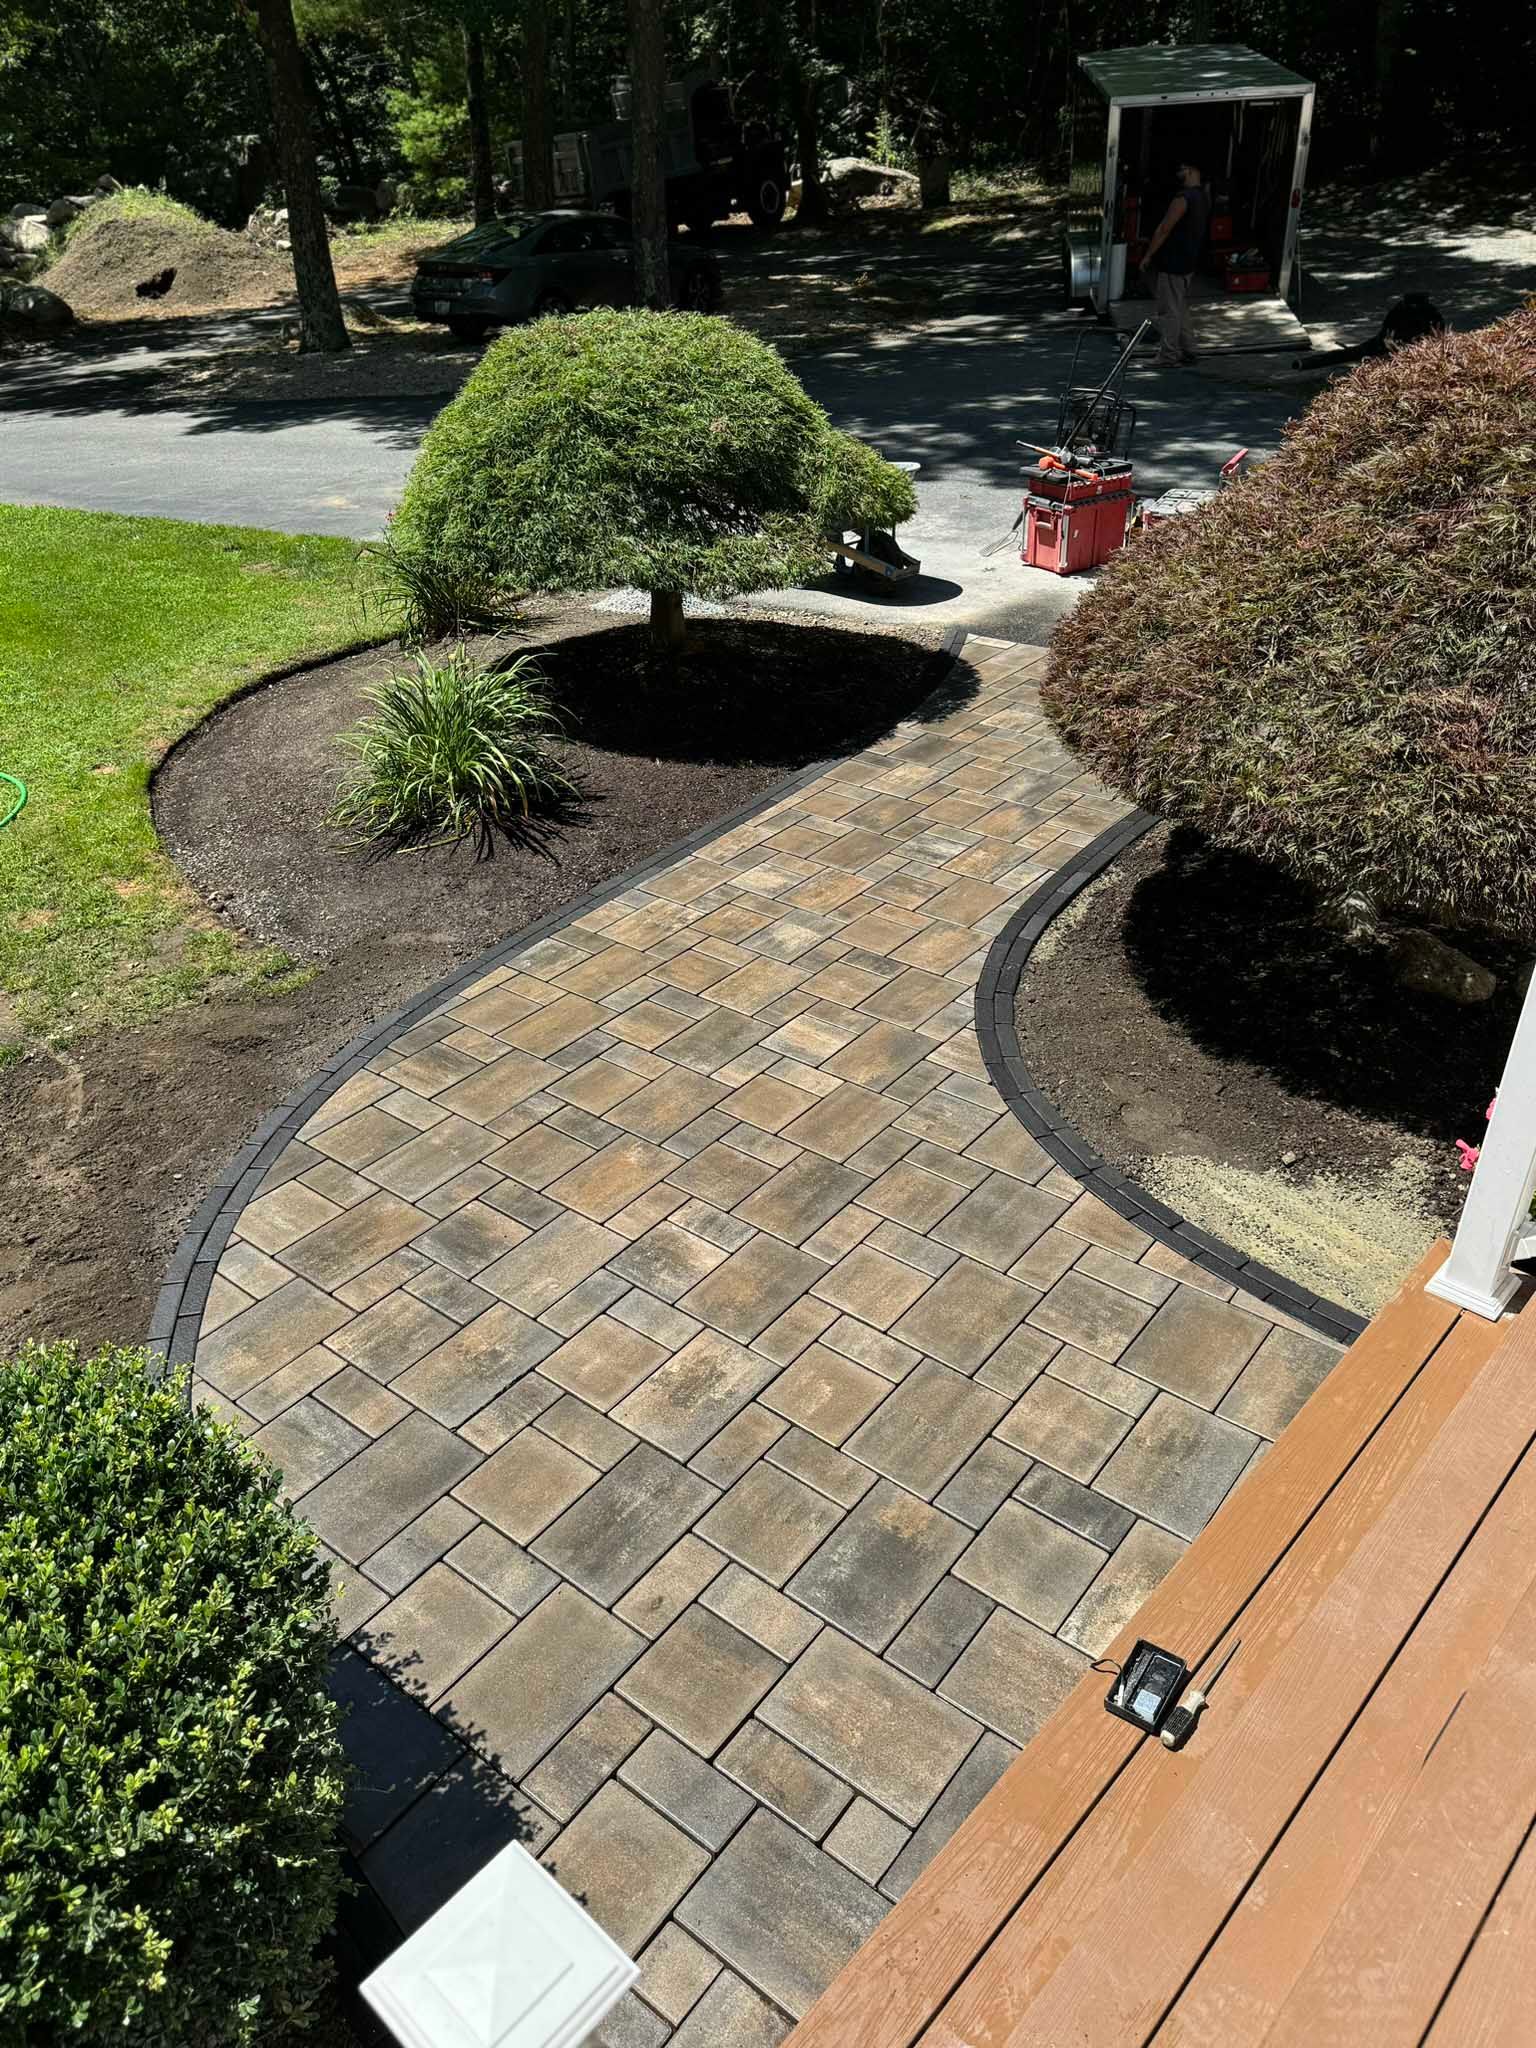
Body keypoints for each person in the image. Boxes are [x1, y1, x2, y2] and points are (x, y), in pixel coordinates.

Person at [1141, 161, 1209, 366]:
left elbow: (1164, 229)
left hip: (1173, 262)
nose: (1178, 173)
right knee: (1179, 306)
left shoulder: (1182, 198)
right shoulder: (1203, 197)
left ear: (1190, 170)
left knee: (1168, 310)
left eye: (1181, 169)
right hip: (1188, 261)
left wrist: (1148, 255)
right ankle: (1189, 349)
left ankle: (1168, 355)